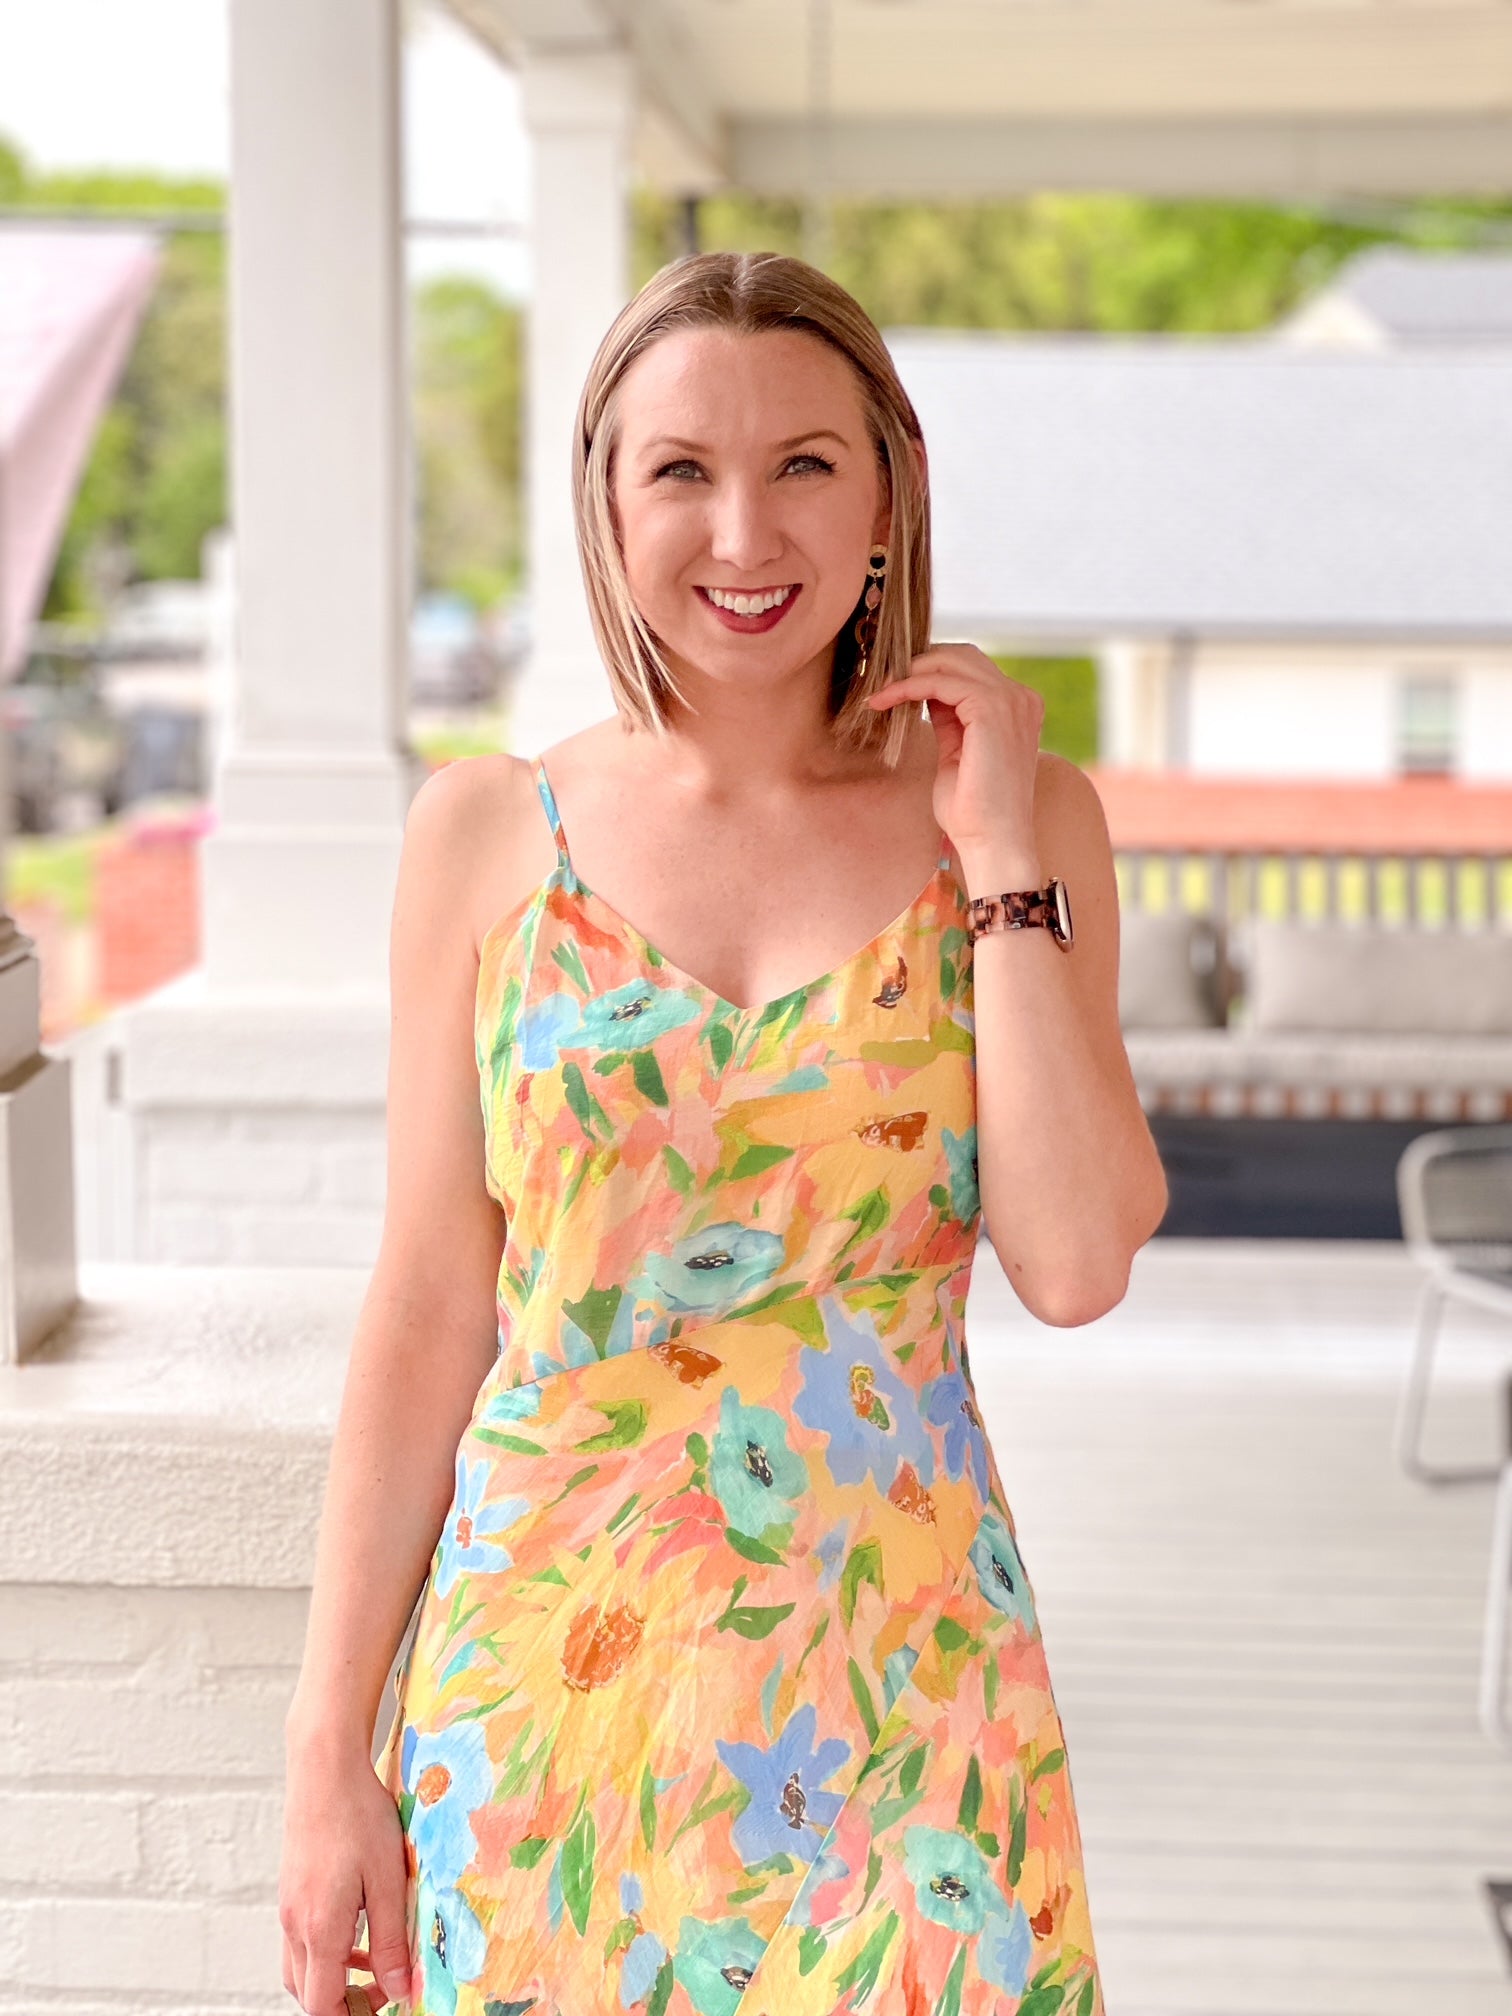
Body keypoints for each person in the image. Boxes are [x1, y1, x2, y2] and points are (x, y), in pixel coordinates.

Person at [278, 249, 1167, 2016]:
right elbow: (432, 1303)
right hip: (541, 1709)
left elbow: (1074, 1260)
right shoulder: (484, 836)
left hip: (907, 1705)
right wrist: (325, 1750)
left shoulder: (1022, 820)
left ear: (892, 488)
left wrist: (999, 860)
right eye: (682, 469)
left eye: (805, 464)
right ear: (606, 501)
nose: (745, 534)